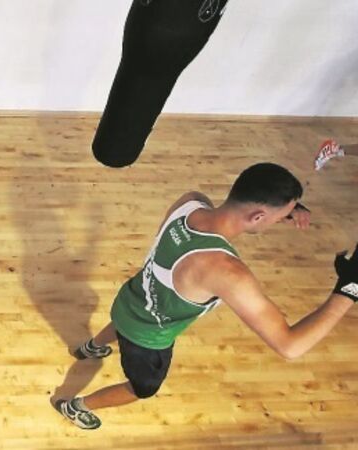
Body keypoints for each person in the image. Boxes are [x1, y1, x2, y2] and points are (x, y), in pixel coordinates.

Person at [54, 163, 358, 430]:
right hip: (148, 339)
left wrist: (281, 210)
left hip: (131, 298)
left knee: (121, 322)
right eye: (278, 217)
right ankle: (76, 406)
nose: (281, 220)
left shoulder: (191, 202)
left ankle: (91, 347)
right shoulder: (224, 271)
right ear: (258, 216)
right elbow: (290, 346)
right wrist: (349, 288)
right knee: (143, 388)